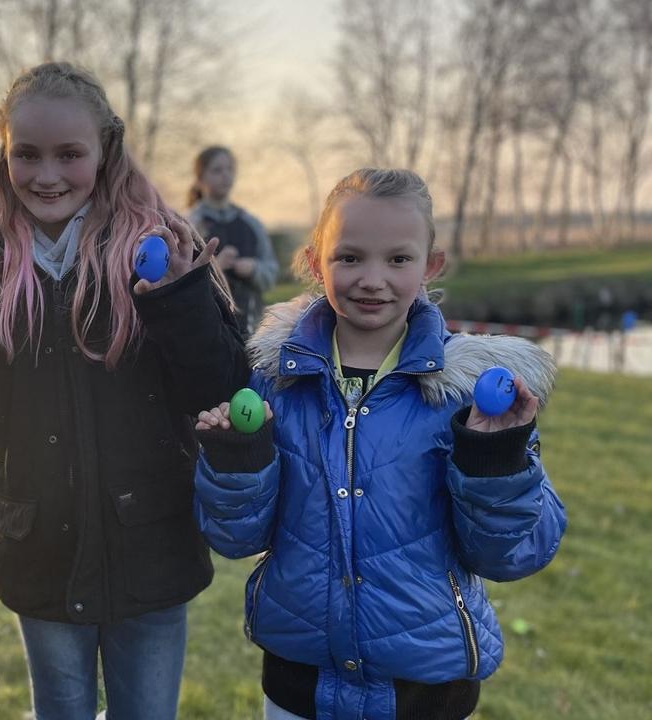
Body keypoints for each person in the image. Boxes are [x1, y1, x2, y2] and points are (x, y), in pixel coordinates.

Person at [0, 62, 250, 720]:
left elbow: (220, 391)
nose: (47, 175)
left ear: (106, 150)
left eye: (69, 154)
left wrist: (179, 298)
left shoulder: (162, 251)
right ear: (5, 154)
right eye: (27, 154)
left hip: (152, 553)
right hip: (40, 555)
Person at [192, 168, 567, 720]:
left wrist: (495, 462)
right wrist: (237, 461)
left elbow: (512, 554)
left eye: (398, 259)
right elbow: (235, 537)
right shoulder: (274, 381)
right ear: (315, 262)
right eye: (349, 257)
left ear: (430, 265)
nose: (373, 279)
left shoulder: (467, 394)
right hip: (299, 685)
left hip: (426, 689)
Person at [186, 146, 279, 335]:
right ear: (200, 178)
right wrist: (215, 268)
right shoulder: (189, 226)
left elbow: (271, 273)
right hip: (206, 332)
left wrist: (254, 269)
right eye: (217, 170)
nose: (226, 175)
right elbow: (181, 284)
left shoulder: (251, 223)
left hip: (252, 332)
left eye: (229, 169)